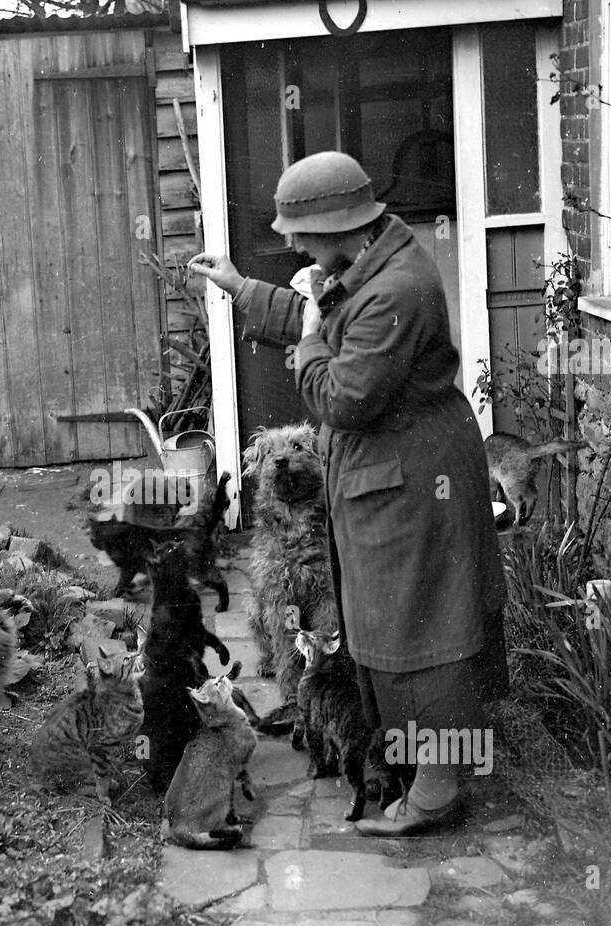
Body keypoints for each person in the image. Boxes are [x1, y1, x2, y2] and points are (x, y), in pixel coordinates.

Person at [189, 151, 508, 836]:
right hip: (388, 474)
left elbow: (343, 393)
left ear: (337, 225)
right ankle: (416, 763)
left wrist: (306, 344)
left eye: (300, 234)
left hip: (413, 480)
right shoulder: (367, 266)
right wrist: (241, 287)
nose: (295, 246)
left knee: (423, 627)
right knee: (390, 625)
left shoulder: (397, 287)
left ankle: (440, 783)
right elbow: (324, 319)